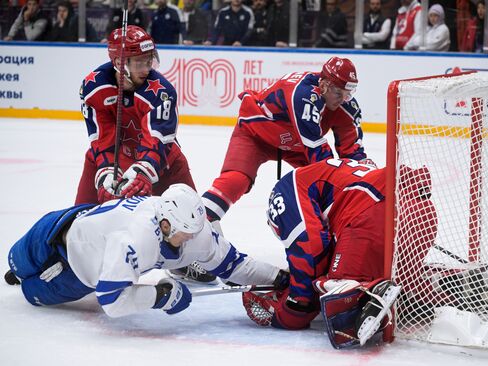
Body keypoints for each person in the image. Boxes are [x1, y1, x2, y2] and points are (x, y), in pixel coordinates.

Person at [4, 184, 288, 317]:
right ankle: (18, 272)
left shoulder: (194, 231)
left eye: (194, 233)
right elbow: (112, 302)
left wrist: (277, 276)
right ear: (164, 224)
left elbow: (235, 265)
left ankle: (25, 280)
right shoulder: (136, 238)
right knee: (14, 263)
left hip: (75, 271)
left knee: (30, 292)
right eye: (183, 234)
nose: (189, 240)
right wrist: (160, 296)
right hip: (59, 225)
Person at [241, 159, 438, 348]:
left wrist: (287, 313)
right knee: (403, 280)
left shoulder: (283, 194)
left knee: (333, 291)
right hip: (422, 215)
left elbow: (309, 251)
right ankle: (442, 286)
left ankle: (371, 292)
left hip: (376, 217)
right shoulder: (326, 175)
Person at [201, 57, 370, 224]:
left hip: (297, 147)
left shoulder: (346, 107)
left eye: (348, 94)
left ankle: (341, 231)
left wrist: (364, 183)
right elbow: (318, 155)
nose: (342, 100)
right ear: (324, 85)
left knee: (327, 190)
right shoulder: (303, 94)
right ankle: (197, 223)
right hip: (256, 135)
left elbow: (353, 155)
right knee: (236, 180)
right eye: (338, 93)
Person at [75, 25, 196, 206]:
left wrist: (143, 170)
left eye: (149, 60)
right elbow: (101, 137)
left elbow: (156, 139)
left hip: (164, 164)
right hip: (113, 160)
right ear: (119, 64)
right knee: (79, 218)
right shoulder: (94, 88)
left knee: (196, 223)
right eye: (140, 62)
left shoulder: (161, 91)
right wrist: (105, 172)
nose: (147, 69)